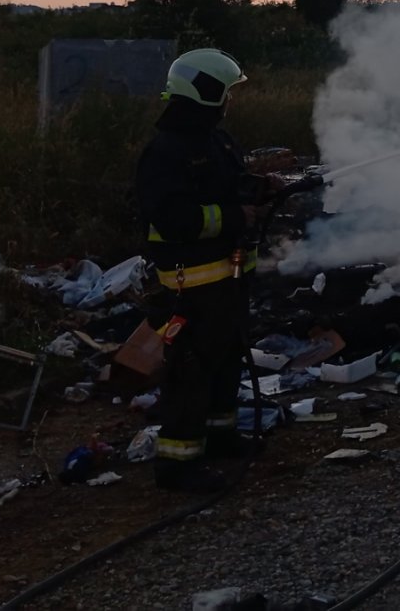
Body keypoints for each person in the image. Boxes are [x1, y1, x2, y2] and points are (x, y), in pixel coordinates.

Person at [135, 48, 273, 492]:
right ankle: (178, 463)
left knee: (226, 361)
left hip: (227, 281)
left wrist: (261, 190)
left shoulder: (215, 139)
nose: (230, 100)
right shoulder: (166, 151)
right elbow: (174, 218)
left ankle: (220, 436)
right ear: (205, 91)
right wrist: (236, 217)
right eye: (226, 91)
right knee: (190, 371)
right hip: (189, 284)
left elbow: (229, 186)